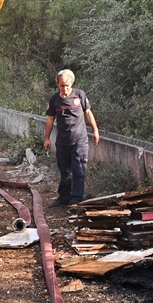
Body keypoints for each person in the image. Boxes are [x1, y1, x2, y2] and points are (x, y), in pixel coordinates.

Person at [43, 69, 100, 207]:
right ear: (58, 84)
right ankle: (64, 198)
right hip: (62, 142)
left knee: (79, 170)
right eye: (62, 85)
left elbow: (88, 113)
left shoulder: (80, 95)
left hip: (79, 141)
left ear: (72, 83)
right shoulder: (54, 99)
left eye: (67, 85)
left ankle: (76, 200)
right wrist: (47, 138)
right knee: (65, 172)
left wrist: (95, 130)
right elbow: (50, 119)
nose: (65, 88)